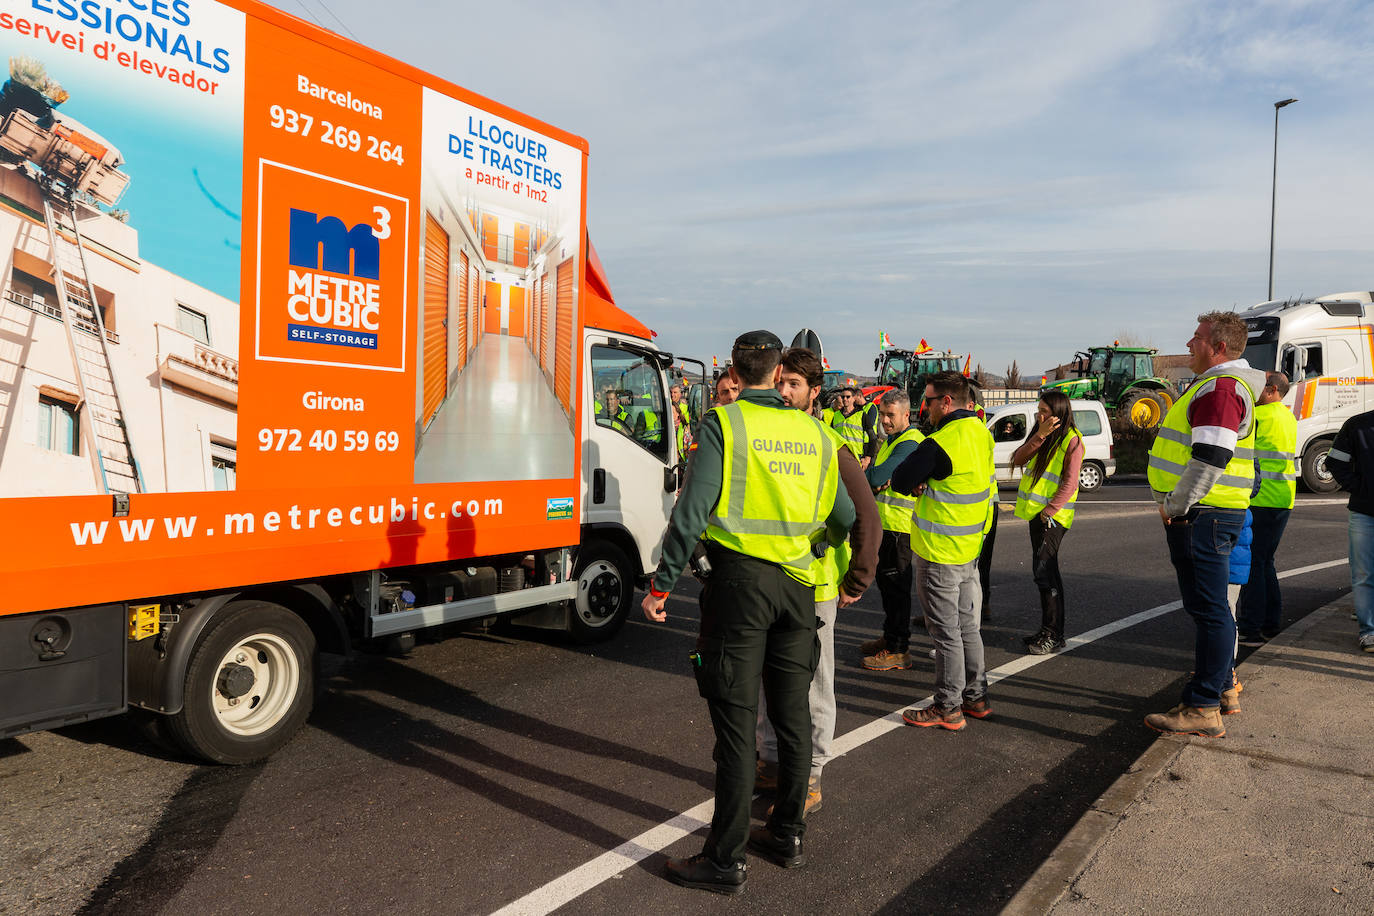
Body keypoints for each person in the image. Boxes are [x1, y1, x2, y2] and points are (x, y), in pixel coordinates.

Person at [642, 330, 855, 895]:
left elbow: (691, 515)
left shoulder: (726, 424)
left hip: (740, 588)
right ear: (777, 368)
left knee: (737, 726)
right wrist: (813, 544)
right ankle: (786, 834)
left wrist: (662, 586)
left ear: (735, 372)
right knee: (792, 718)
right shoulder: (814, 431)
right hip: (798, 589)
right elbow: (846, 514)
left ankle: (725, 857)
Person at [756, 347, 879, 818]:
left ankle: (810, 774)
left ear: (813, 392)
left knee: (813, 684)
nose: (784, 393)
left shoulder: (829, 443)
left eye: (794, 385)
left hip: (819, 586)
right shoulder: (767, 438)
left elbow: (866, 515)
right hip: (772, 582)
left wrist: (858, 578)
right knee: (771, 678)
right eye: (780, 383)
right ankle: (770, 760)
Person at [1144, 311, 1266, 737]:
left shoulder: (1221, 388)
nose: (1190, 344)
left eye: (1196, 339)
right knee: (1211, 610)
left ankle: (1203, 706)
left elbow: (1212, 457)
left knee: (1212, 612)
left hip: (1203, 515)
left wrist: (1176, 505)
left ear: (1218, 347)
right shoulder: (1222, 387)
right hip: (1212, 513)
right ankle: (1215, 691)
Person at [887, 371, 994, 731]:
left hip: (939, 553)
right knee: (968, 630)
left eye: (929, 400)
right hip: (968, 549)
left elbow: (900, 480)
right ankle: (976, 697)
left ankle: (947, 706)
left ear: (947, 402)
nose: (926, 407)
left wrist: (920, 480)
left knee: (946, 633)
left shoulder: (942, 441)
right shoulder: (981, 433)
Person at [1010, 391, 1083, 655]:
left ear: (1059, 413)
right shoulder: (1042, 433)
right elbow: (1018, 459)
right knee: (1042, 573)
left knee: (1046, 573)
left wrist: (1049, 511)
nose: (1039, 415)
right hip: (1037, 515)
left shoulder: (1073, 441)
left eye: (1044, 411)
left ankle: (1054, 634)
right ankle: (1047, 630)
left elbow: (1070, 482)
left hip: (1052, 518)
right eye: (1039, 410)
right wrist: (1039, 435)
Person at [860, 389, 926, 670]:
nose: (884, 421)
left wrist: (873, 471)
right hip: (888, 524)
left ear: (906, 415)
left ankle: (899, 649)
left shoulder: (909, 443)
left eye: (891, 415)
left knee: (897, 589)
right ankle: (890, 638)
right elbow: (876, 479)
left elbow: (875, 476)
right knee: (888, 588)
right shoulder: (893, 440)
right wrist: (875, 474)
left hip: (900, 527)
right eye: (883, 414)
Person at [1237, 372, 1297, 646]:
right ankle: (1271, 625)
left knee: (1254, 565)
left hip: (1261, 498)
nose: (1256, 392)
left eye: (1261, 388)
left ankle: (1251, 628)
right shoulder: (1288, 417)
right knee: (1266, 562)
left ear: (1272, 390)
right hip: (1283, 499)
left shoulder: (1260, 416)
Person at [1324, 407, 1374, 653]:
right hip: (1365, 512)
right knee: (1364, 574)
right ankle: (1370, 632)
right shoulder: (1358, 425)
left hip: (1364, 511)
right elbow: (1334, 462)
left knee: (1364, 575)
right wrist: (1361, 488)